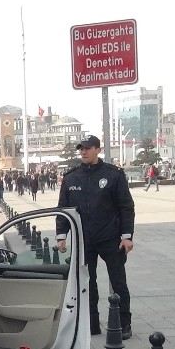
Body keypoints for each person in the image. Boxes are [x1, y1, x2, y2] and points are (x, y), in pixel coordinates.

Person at [55, 135, 135, 338]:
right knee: (87, 284)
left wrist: (127, 236)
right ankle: (91, 324)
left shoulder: (113, 175)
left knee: (118, 282)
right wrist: (61, 236)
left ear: (98, 150)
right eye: (81, 148)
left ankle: (123, 324)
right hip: (84, 239)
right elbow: (63, 209)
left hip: (111, 239)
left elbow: (126, 206)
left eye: (88, 148)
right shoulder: (71, 178)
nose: (84, 151)